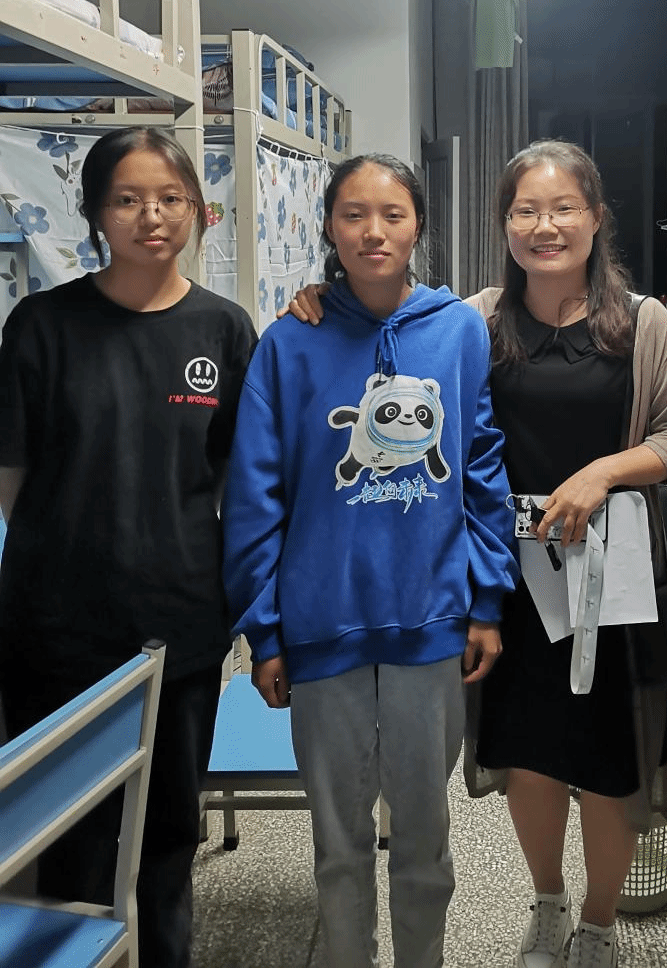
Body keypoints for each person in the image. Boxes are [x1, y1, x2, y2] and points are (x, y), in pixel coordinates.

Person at [222, 152, 518, 968]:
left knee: (424, 838)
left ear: (419, 224)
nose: (373, 231)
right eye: (354, 214)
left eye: (393, 213)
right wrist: (265, 630)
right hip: (323, 626)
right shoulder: (290, 340)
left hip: (432, 619)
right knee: (339, 843)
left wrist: (486, 599)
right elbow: (255, 492)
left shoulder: (457, 329)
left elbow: (481, 466)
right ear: (328, 226)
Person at [0, 126, 257, 968]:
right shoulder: (42, 325)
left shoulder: (224, 328)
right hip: (54, 629)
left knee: (169, 832)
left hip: (179, 624)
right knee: (65, 835)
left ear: (198, 209)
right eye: (127, 198)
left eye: (170, 197)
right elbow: (12, 477)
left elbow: (236, 480)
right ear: (95, 213)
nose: (152, 215)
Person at [466, 141, 667, 968]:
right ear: (505, 223)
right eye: (526, 209)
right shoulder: (478, 320)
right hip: (513, 583)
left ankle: (598, 923)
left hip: (612, 584)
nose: (545, 225)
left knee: (610, 762)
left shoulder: (645, 323)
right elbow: (392, 332)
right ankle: (549, 902)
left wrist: (604, 471)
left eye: (564, 208)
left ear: (596, 217)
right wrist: (320, 294)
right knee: (530, 755)